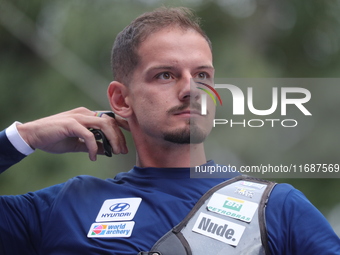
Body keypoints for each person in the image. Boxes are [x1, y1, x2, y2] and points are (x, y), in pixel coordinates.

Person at [0, 7, 339, 255]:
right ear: (120, 99)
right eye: (165, 75)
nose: (191, 89)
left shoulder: (276, 208)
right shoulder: (66, 206)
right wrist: (22, 138)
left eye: (203, 76)